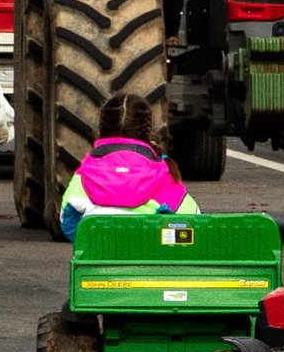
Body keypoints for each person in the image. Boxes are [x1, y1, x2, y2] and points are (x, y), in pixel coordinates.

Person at [59, 92, 200, 241]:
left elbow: (67, 220)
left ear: (101, 129)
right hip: (150, 258)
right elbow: (193, 221)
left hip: (99, 258)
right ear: (148, 131)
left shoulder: (85, 173)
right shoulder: (163, 173)